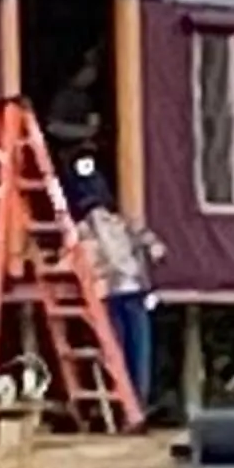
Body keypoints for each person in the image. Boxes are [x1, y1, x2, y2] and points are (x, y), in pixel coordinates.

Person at [72, 160, 165, 405]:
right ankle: (132, 401)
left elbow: (143, 238)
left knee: (125, 350)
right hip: (122, 289)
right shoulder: (105, 224)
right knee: (127, 350)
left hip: (122, 289)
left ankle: (133, 401)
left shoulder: (104, 224)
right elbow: (143, 238)